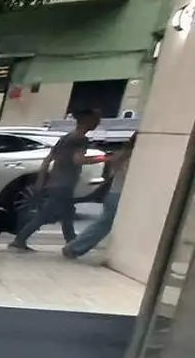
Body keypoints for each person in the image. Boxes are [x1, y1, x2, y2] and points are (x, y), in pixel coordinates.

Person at [7, 108, 101, 252]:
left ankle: (71, 242)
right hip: (64, 184)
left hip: (56, 181)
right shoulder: (81, 139)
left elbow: (48, 159)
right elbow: (78, 160)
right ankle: (20, 240)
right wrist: (104, 158)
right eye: (96, 119)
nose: (98, 123)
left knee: (67, 213)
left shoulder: (66, 137)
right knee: (46, 214)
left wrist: (41, 180)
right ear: (87, 121)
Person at [63, 136, 132, 259]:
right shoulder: (130, 158)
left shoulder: (121, 156)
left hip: (114, 192)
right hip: (119, 194)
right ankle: (74, 247)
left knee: (105, 223)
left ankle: (74, 247)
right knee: (105, 224)